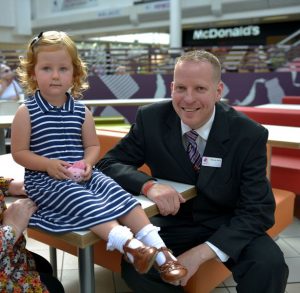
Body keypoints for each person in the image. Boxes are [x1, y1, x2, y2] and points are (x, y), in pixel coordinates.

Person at [97, 50, 289, 293]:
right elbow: (107, 164)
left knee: (269, 265)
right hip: (172, 222)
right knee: (139, 268)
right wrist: (149, 186)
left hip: (227, 221)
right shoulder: (151, 118)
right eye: (181, 88)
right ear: (172, 88)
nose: (188, 99)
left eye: (199, 89)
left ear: (218, 91)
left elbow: (258, 211)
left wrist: (199, 255)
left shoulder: (248, 134)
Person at [10, 31, 187, 284]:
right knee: (80, 198)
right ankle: (131, 247)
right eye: (47, 68)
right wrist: (47, 164)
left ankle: (163, 255)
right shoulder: (26, 112)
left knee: (116, 191)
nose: (56, 75)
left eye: (63, 68)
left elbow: (92, 145)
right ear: (33, 73)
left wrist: (89, 163)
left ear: (75, 73)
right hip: (45, 181)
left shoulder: (82, 111)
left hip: (83, 174)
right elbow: (19, 153)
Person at [0, 177, 65, 292]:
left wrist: (9, 185)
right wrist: (11, 228)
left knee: (44, 267)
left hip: (10, 255)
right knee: (54, 287)